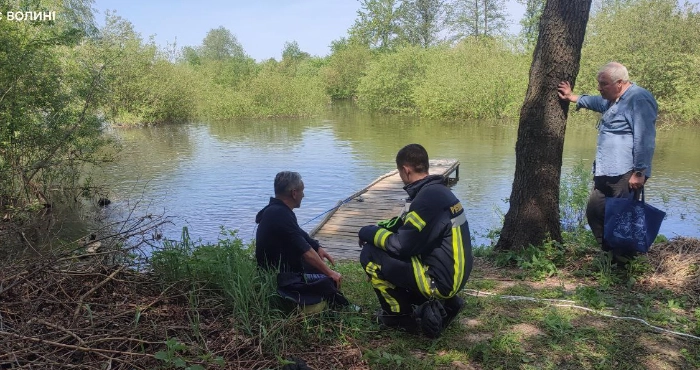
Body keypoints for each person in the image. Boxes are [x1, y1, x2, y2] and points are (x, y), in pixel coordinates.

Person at [357, 144, 473, 338]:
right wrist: (375, 228)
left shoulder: (426, 199)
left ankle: (398, 317)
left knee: (370, 254)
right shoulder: (438, 192)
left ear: (405, 170)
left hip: (440, 282)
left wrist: (367, 234)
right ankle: (447, 303)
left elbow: (401, 245)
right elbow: (403, 223)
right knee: (387, 249)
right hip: (453, 276)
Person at [557, 62, 657, 260]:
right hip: (604, 170)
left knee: (621, 219)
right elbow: (595, 102)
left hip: (626, 172)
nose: (599, 88)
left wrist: (639, 172)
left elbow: (645, 138)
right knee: (595, 211)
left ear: (619, 83)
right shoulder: (612, 100)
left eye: (603, 84)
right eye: (599, 83)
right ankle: (610, 254)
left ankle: (622, 264)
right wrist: (571, 97)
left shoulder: (639, 99)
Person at [255, 171, 347, 310]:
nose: (303, 195)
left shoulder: (275, 210)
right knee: (328, 281)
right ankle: (325, 306)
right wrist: (330, 273)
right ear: (294, 193)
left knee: (319, 267)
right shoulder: (280, 214)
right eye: (302, 191)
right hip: (279, 278)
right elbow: (306, 252)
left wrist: (317, 247)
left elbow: (298, 232)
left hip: (281, 269)